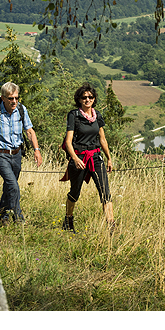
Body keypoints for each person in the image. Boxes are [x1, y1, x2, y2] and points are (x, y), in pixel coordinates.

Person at [0, 82, 43, 225]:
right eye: (10, 98)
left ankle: (2, 216)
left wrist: (36, 151)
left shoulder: (21, 109)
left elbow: (30, 131)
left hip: (16, 154)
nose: (14, 101)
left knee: (9, 185)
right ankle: (18, 217)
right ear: (3, 98)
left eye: (16, 98)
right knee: (13, 185)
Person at [61, 83, 114, 233]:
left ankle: (111, 225)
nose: (87, 100)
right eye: (84, 97)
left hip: (96, 156)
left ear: (94, 98)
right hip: (80, 158)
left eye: (90, 97)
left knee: (105, 191)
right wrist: (75, 159)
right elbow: (68, 141)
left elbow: (102, 139)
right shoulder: (74, 115)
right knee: (75, 192)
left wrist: (109, 158)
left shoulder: (98, 115)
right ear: (79, 99)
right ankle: (68, 220)